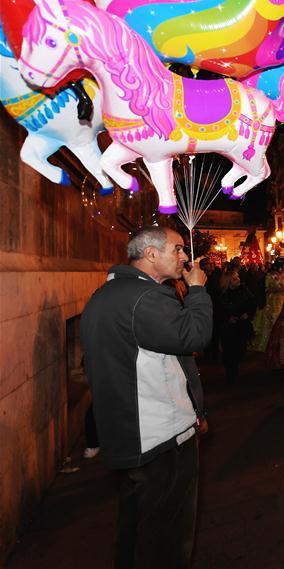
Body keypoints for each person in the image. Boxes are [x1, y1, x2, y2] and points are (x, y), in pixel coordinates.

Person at [80, 226, 211, 569]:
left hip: (129, 436)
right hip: (160, 438)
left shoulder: (105, 295)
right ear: (152, 255)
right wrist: (196, 290)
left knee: (136, 531)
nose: (185, 257)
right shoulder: (145, 298)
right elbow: (194, 335)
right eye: (178, 249)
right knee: (167, 540)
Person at [216, 268, 257, 383]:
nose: (238, 280)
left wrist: (248, 314)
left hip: (241, 325)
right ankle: (231, 373)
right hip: (228, 327)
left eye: (238, 277)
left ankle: (234, 369)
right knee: (229, 351)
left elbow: (252, 303)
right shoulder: (221, 294)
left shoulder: (244, 290)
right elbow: (217, 310)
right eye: (235, 278)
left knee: (240, 349)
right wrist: (227, 318)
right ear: (228, 281)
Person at [249, 259, 284, 351]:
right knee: (270, 322)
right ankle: (267, 344)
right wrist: (277, 290)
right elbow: (266, 289)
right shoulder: (270, 275)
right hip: (270, 302)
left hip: (281, 301)